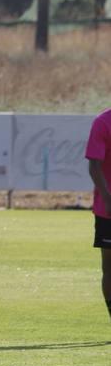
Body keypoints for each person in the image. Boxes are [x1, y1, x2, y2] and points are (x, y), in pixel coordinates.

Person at [85, 106, 111, 322]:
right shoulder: (103, 122)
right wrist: (107, 196)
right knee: (109, 267)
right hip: (108, 209)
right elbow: (94, 165)